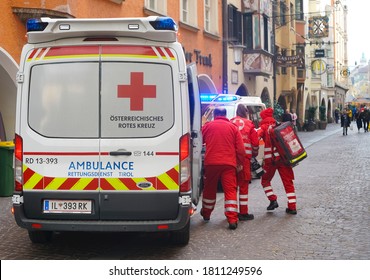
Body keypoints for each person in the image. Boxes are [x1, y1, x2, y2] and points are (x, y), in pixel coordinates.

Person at [201, 107, 246, 230]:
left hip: (211, 163)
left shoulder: (208, 126)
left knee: (209, 189)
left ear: (214, 115)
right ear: (225, 115)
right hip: (229, 164)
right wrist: (240, 163)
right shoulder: (233, 128)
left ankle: (206, 214)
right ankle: (232, 219)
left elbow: (199, 141)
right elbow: (241, 149)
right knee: (230, 190)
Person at [257, 108, 297, 215]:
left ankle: (272, 200)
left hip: (271, 161)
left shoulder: (263, 127)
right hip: (284, 159)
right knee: (288, 182)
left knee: (265, 181)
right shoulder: (279, 125)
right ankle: (292, 206)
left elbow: (254, 137)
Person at [230, 104, 259, 221]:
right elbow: (255, 143)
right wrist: (254, 154)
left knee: (231, 187)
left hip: (231, 159)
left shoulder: (230, 122)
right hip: (245, 159)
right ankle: (243, 212)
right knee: (243, 186)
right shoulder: (249, 124)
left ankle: (231, 212)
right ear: (246, 112)